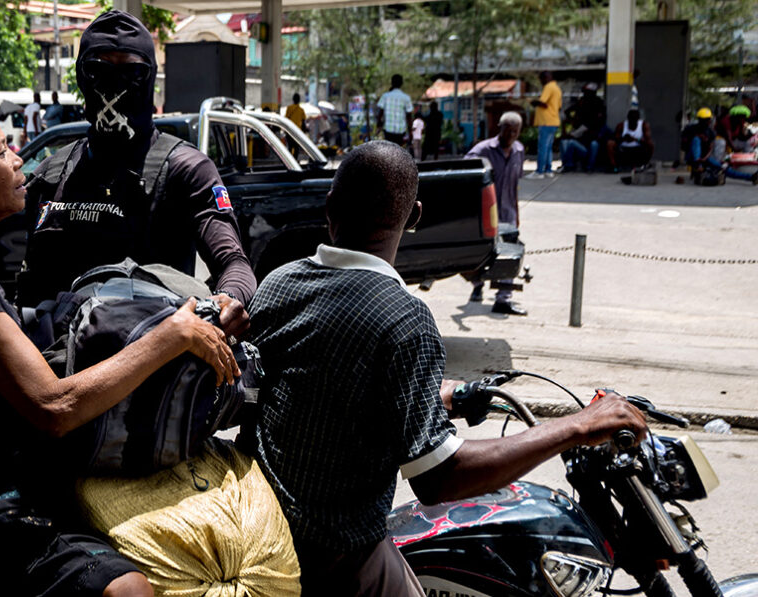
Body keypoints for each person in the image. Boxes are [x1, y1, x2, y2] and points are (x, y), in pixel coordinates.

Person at [245, 140, 648, 597]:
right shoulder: (404, 318)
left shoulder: (278, 285)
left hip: (263, 529)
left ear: (330, 205)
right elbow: (439, 477)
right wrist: (577, 426)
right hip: (336, 555)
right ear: (414, 217)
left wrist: (437, 396)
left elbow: (312, 389)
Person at [0, 93, 239, 595]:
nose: (17, 160)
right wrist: (170, 336)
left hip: (3, 489)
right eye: (0, 150)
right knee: (128, 589)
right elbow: (54, 406)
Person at [19, 11, 255, 338]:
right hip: (54, 364)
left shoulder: (186, 169)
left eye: (132, 71)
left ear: (150, 76)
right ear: (81, 76)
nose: (114, 83)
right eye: (98, 69)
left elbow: (233, 262)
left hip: (149, 366)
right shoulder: (52, 172)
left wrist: (228, 300)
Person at [465, 112, 527, 316]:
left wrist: (517, 214)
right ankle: (477, 284)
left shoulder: (519, 151)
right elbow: (466, 173)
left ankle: (503, 299)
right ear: (499, 128)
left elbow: (515, 185)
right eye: (507, 131)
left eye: (515, 132)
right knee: (480, 254)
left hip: (508, 213)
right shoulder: (483, 150)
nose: (510, 136)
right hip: (486, 214)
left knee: (510, 252)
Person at [685, 107, 758, 185]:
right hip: (692, 157)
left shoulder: (710, 132)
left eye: (707, 120)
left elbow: (711, 147)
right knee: (696, 140)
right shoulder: (691, 129)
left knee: (723, 168)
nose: (707, 122)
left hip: (705, 157)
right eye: (704, 120)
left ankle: (750, 177)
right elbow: (685, 145)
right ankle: (698, 164)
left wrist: (704, 158)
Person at [560, 82, 605, 173]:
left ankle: (589, 167)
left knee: (594, 144)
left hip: (589, 136)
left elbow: (600, 120)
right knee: (565, 142)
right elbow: (567, 112)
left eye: (587, 92)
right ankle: (567, 165)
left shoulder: (598, 103)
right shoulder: (581, 102)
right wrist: (572, 120)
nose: (585, 94)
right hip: (581, 136)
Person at [527, 71, 561, 178]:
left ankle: (539, 171)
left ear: (545, 78)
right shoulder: (557, 88)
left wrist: (533, 102)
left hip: (546, 122)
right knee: (548, 147)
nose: (541, 82)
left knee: (542, 147)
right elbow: (558, 106)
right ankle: (548, 170)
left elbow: (543, 103)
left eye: (541, 79)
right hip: (554, 121)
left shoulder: (548, 87)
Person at [376, 74, 412, 146]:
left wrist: (379, 124)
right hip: (401, 130)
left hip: (388, 129)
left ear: (391, 83)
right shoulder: (406, 98)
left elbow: (380, 112)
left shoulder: (385, 96)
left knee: (389, 149)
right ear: (401, 84)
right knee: (398, 149)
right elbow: (409, 116)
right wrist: (410, 130)